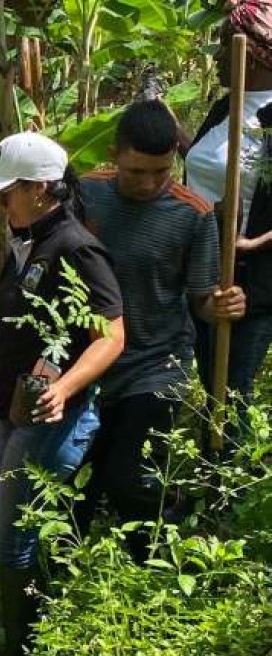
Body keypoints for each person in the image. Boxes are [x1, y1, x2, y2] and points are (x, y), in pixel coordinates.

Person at [0, 132, 125, 656]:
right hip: (12, 405)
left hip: (50, 414)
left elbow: (112, 334)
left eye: (6, 193)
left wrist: (63, 387)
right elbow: (34, 324)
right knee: (11, 518)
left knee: (14, 537)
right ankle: (35, 629)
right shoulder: (24, 238)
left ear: (40, 189)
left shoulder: (74, 247)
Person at [78, 100, 246, 561]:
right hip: (89, 362)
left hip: (156, 363)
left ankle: (155, 566)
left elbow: (201, 302)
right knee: (78, 481)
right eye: (136, 172)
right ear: (115, 155)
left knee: (131, 478)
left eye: (162, 171)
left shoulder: (193, 213)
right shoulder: (85, 195)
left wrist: (223, 305)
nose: (149, 183)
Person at [185, 1, 272, 427]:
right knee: (209, 388)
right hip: (203, 272)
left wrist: (254, 242)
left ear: (253, 53)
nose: (217, 58)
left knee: (231, 395)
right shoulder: (226, 106)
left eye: (224, 47)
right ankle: (207, 479)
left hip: (251, 283)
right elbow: (208, 172)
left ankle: (229, 487)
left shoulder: (269, 116)